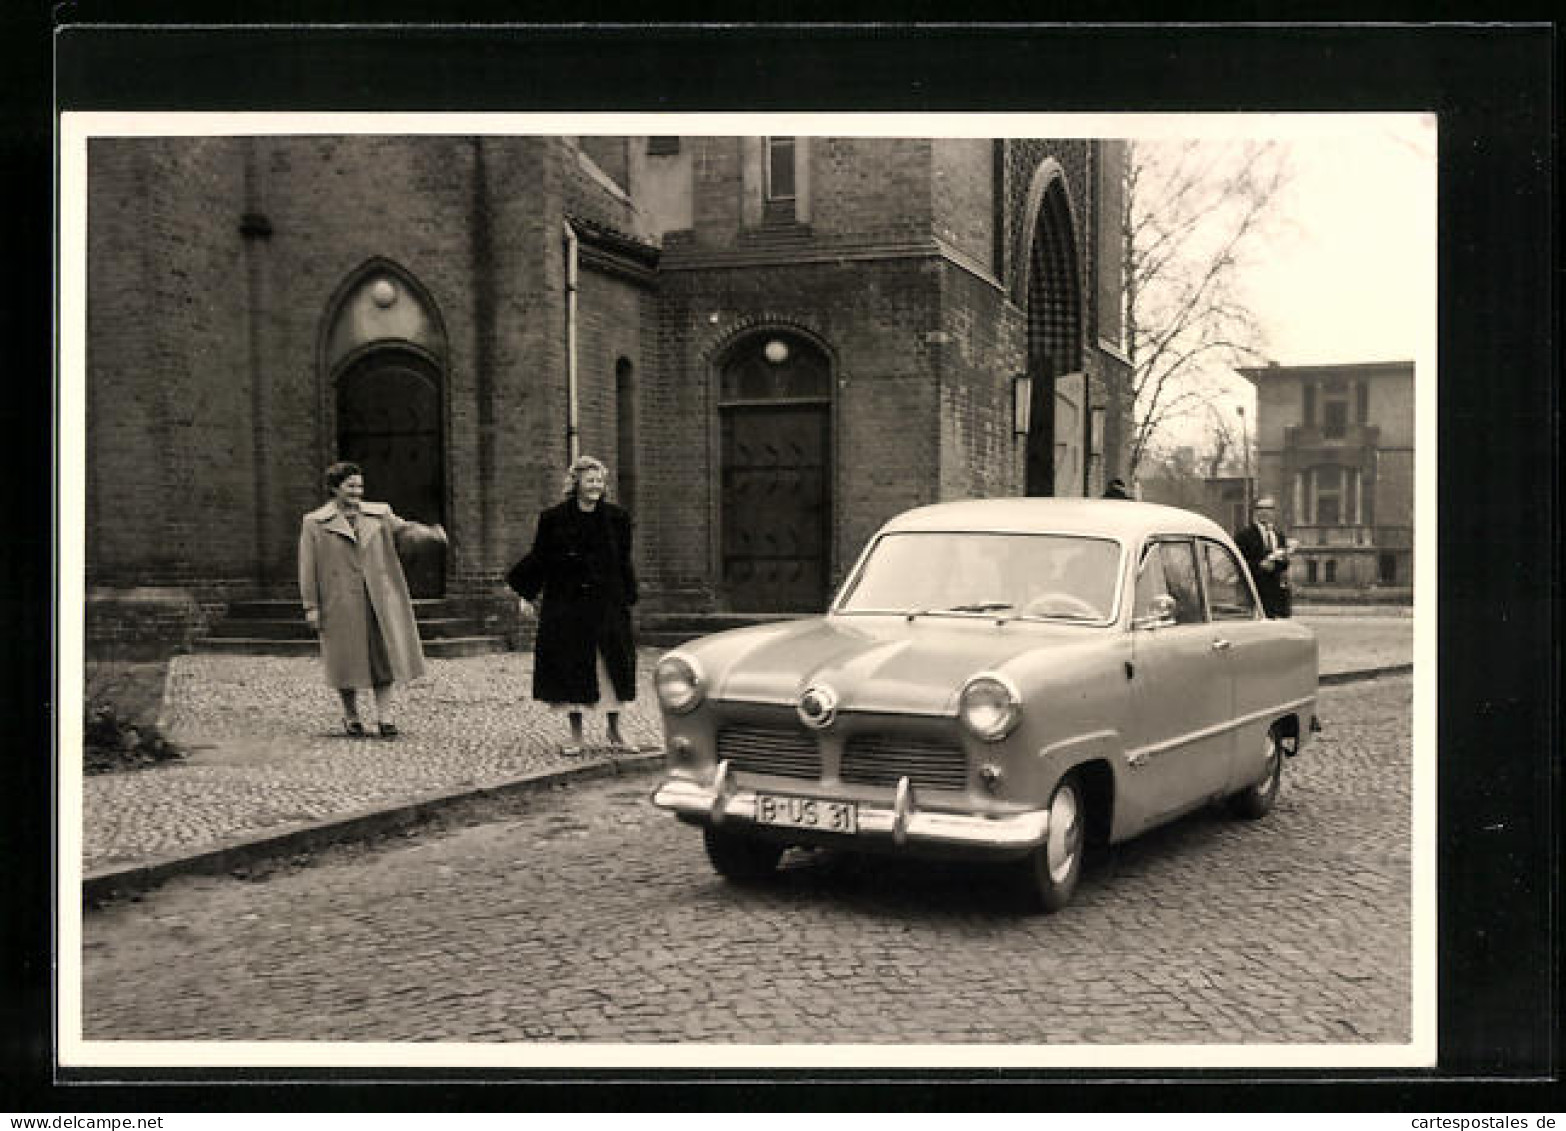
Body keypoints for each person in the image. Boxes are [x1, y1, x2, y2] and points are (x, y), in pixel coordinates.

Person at [298, 461, 444, 738]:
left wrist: (429, 534)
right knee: (343, 660)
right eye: (350, 486)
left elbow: (405, 531)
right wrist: (311, 607)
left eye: (360, 486)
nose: (357, 491)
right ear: (334, 488)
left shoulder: (379, 514)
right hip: (338, 602)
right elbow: (307, 568)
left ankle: (384, 717)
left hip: (378, 598)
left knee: (383, 657)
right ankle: (351, 716)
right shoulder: (314, 523)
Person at [507, 455, 639, 755]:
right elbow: (540, 557)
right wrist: (525, 594)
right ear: (575, 482)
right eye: (590, 480)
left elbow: (623, 561)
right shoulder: (553, 519)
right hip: (567, 606)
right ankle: (575, 735)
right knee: (571, 667)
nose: (596, 486)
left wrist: (629, 596)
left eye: (600, 481)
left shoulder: (617, 519)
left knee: (612, 667)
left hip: (607, 605)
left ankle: (615, 730)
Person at [1234, 495, 1294, 618]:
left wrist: (1279, 563)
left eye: (1269, 508)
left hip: (1276, 597)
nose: (1264, 512)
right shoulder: (1244, 536)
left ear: (1274, 512)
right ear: (1255, 511)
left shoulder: (1279, 536)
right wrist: (1259, 566)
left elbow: (1284, 564)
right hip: (1254, 594)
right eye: (1260, 508)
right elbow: (1237, 562)